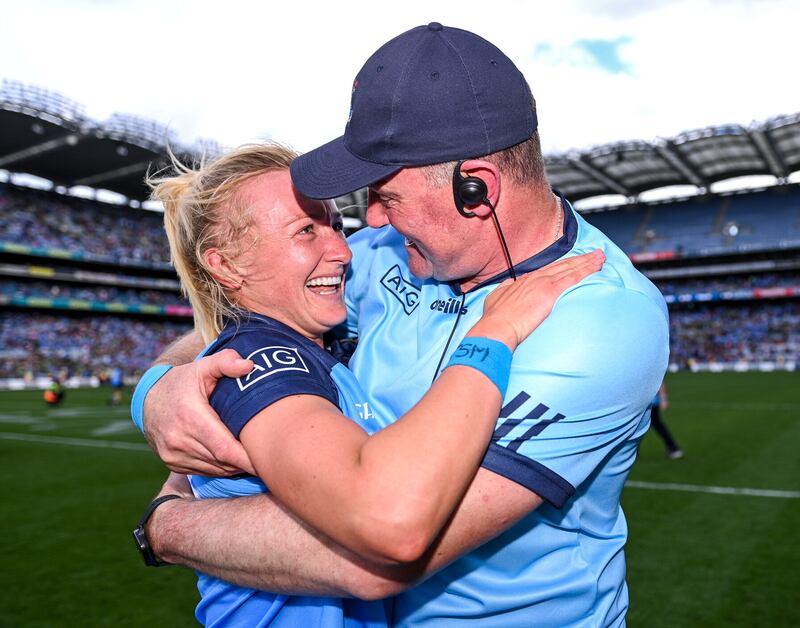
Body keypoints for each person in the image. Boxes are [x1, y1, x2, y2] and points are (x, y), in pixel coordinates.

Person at [132, 23, 669, 627]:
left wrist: (167, 526)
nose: (372, 221)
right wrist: (159, 387)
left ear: (477, 190)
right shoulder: (389, 251)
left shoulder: (597, 321)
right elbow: (266, 318)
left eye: (387, 195)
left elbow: (381, 551)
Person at [136, 142, 602, 626]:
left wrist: (152, 388)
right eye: (305, 231)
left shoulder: (315, 341)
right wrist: (494, 332)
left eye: (335, 225)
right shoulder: (259, 363)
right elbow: (381, 527)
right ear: (226, 266)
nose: (341, 250)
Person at [649, 382, 684, 459]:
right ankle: (674, 448)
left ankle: (674, 448)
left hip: (649, 403)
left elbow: (660, 382)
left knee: (655, 425)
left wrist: (663, 399)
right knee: (641, 426)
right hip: (647, 402)